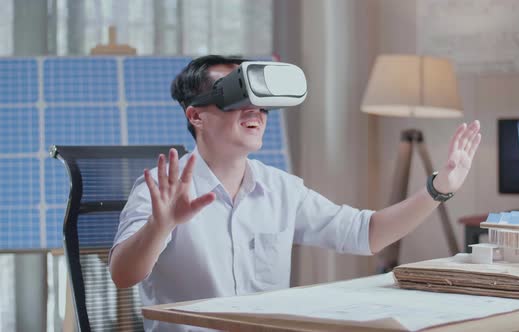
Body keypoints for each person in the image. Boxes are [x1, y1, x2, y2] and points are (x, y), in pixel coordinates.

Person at [109, 55, 482, 332]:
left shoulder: (281, 189)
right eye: (237, 98)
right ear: (196, 116)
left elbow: (366, 234)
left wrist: (438, 189)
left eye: (261, 102)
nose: (254, 110)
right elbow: (123, 275)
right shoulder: (162, 189)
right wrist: (161, 227)